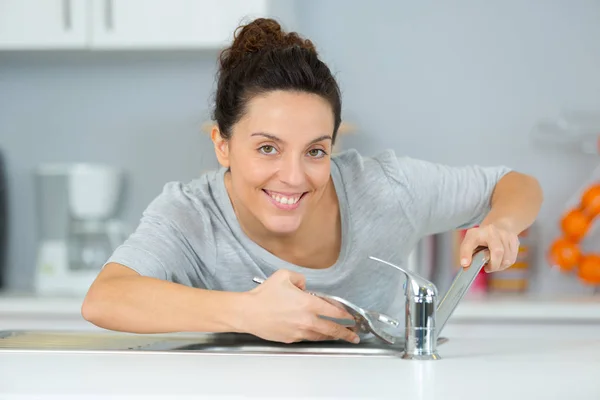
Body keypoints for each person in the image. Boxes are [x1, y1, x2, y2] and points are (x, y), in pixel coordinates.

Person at [81, 18, 543, 345]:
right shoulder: (190, 214)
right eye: (267, 148)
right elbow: (106, 298)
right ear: (222, 144)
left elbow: (513, 183)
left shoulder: (381, 188)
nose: (294, 176)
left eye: (316, 151)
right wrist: (248, 312)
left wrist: (501, 223)